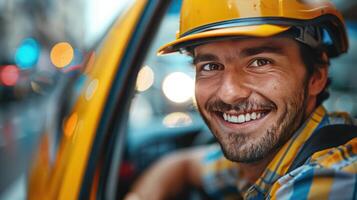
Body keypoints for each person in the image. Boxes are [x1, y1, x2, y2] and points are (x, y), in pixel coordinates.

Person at [125, 0, 357, 199]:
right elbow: (180, 165)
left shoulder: (332, 176)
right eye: (211, 66)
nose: (229, 93)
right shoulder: (262, 160)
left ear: (316, 75)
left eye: (260, 62)